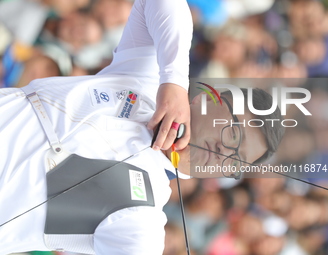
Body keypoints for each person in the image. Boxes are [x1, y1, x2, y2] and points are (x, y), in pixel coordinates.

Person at [0, 0, 284, 255]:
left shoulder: (143, 217)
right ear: (209, 100)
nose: (224, 152)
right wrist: (173, 81)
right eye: (233, 132)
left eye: (235, 161)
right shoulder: (148, 80)